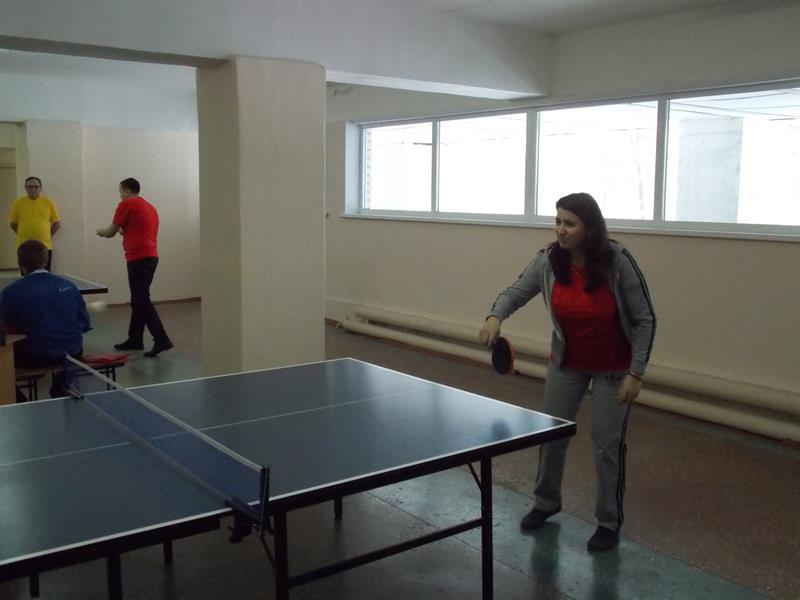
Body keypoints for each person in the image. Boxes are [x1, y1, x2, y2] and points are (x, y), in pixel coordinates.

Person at [479, 192, 656, 552]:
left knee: (606, 444)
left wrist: (636, 373)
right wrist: (495, 315)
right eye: (558, 221)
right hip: (567, 363)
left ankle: (608, 522)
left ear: (589, 228)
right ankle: (546, 502)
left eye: (570, 223)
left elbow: (645, 320)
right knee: (551, 434)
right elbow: (515, 292)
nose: (560, 229)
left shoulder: (618, 261)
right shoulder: (548, 261)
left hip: (614, 368)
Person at [2, 240, 91, 400]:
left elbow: (8, 330)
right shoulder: (70, 286)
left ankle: (20, 401)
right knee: (76, 347)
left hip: (33, 356)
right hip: (72, 351)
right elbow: (84, 324)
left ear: (21, 265)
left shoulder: (10, 292)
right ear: (46, 260)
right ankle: (61, 387)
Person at [96, 177, 173, 357]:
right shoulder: (150, 207)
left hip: (139, 258)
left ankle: (161, 339)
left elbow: (110, 231)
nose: (120, 196)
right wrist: (121, 231)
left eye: (121, 192)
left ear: (127, 191)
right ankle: (135, 339)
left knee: (141, 299)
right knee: (138, 299)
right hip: (151, 257)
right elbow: (131, 230)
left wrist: (100, 232)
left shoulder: (127, 204)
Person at [9, 176, 61, 271]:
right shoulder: (18, 203)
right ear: (25, 188)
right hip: (24, 246)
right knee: (26, 274)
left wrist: (47, 236)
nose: (33, 189)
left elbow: (57, 223)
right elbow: (13, 224)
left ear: (40, 188)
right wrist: (22, 235)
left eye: (36, 186)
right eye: (30, 186)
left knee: (44, 274)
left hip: (44, 246)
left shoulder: (48, 202)